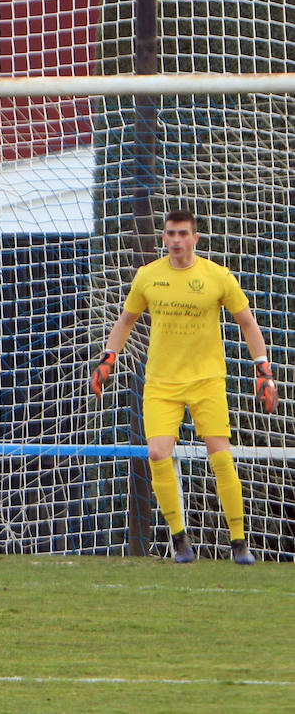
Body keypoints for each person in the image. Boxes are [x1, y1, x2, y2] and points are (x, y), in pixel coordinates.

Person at [92, 209, 277, 565]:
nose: (176, 240)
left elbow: (247, 322)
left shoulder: (217, 276)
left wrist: (263, 369)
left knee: (220, 455)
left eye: (182, 234)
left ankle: (239, 541)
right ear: (163, 238)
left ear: (195, 238)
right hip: (161, 382)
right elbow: (126, 320)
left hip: (207, 380)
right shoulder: (148, 276)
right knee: (157, 453)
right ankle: (179, 540)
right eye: (170, 234)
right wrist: (107, 359)